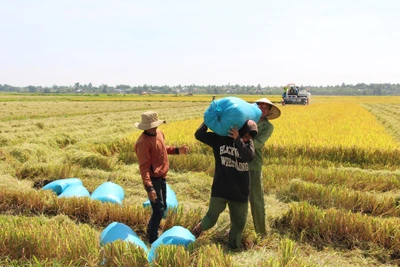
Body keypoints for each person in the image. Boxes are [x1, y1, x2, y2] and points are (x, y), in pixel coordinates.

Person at [192, 120, 258, 250]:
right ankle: (196, 231)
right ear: (240, 130)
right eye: (246, 135)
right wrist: (209, 120)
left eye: (250, 137)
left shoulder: (249, 144)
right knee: (211, 218)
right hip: (221, 188)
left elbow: (248, 157)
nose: (247, 139)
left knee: (239, 223)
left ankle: (233, 247)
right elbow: (199, 135)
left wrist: (238, 139)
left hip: (240, 190)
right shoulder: (220, 139)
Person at [134, 111, 189, 244]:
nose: (153, 127)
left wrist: (177, 150)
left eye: (154, 125)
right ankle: (152, 239)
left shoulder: (159, 134)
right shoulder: (143, 143)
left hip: (162, 177)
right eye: (151, 126)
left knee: (162, 208)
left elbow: (163, 148)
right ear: (145, 127)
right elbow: (144, 167)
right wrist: (149, 188)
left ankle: (151, 229)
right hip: (153, 180)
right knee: (158, 210)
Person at [248, 98, 281, 236]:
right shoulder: (245, 120)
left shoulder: (267, 127)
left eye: (265, 107)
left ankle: (260, 232)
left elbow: (257, 144)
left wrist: (239, 140)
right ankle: (237, 228)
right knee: (236, 199)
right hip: (236, 162)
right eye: (259, 105)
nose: (261, 107)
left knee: (256, 199)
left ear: (268, 112)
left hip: (253, 164)